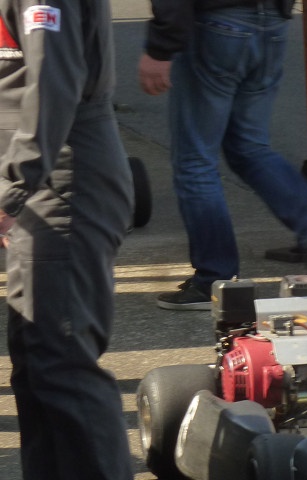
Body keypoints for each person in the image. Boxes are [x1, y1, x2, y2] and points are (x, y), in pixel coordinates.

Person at [139, 0, 307, 309]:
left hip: (217, 23)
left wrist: (161, 46)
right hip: (272, 22)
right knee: (249, 146)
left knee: (195, 162)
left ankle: (215, 278)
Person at [0, 1, 134, 479]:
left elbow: (53, 84)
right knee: (36, 364)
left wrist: (11, 189)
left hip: (64, 182)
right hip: (43, 183)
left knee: (62, 362)